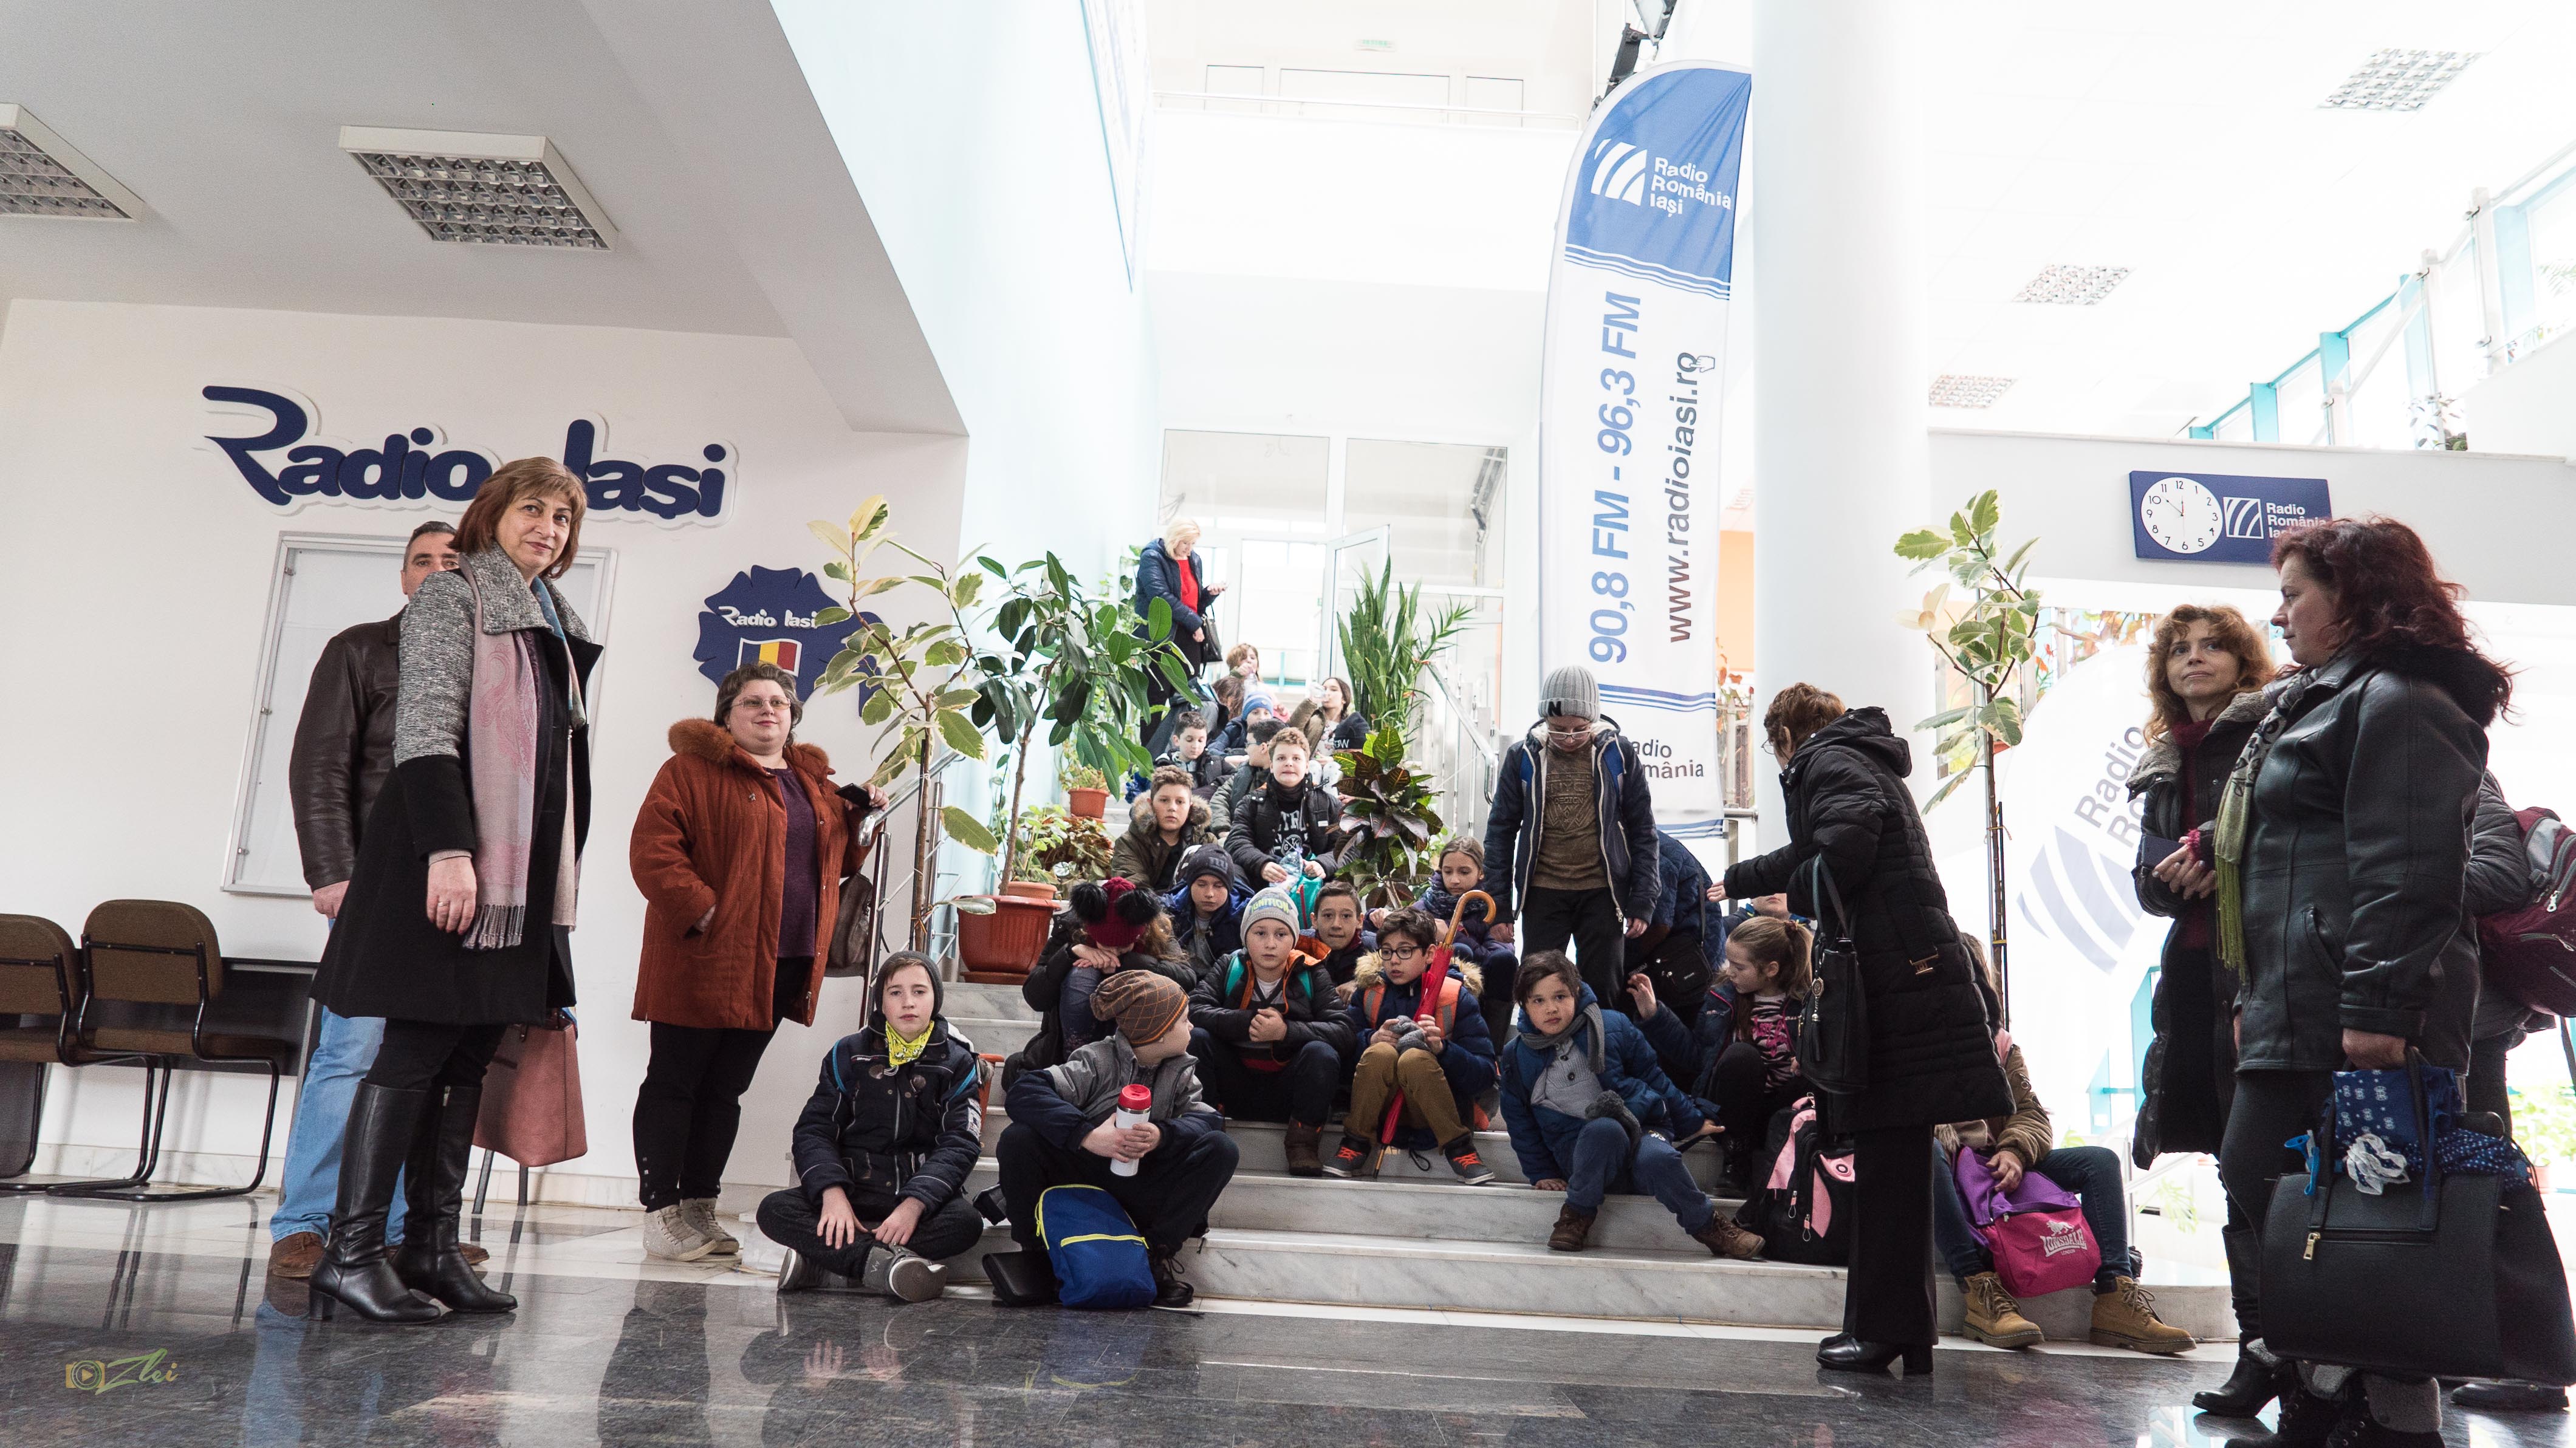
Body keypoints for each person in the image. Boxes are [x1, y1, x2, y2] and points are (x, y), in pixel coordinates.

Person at [2189, 519, 2509, 1447]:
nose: (2278, 614)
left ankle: (2391, 1410)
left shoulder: (2402, 701)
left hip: (2361, 1012)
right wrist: (2257, 998)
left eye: (2294, 594)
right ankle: (2330, 1382)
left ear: (2355, 597)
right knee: (2279, 1187)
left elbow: (2408, 871)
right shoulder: (2317, 701)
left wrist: (2377, 1011)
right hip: (2302, 1004)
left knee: (2381, 1214)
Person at [306, 459, 603, 1323]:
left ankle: (431, 1248)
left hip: (518, 884)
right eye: (532, 509)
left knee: (470, 1055)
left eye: (563, 517)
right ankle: (351, 1253)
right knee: (412, 1053)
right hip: (449, 866)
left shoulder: (554, 620)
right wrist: (449, 851)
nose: (548, 527)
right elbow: (426, 731)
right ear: (493, 514)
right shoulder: (455, 595)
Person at [1714, 682, 2011, 1375]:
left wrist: (1769, 885)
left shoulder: (1828, 761)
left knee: (1886, 1168)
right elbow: (1831, 850)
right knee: (1896, 1168)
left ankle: (1884, 1333)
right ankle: (1903, 1332)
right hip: (1908, 975)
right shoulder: (1858, 759)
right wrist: (1754, 877)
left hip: (1892, 984)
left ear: (1786, 736)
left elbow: (1841, 857)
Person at [627, 662, 879, 1262]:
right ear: (727, 714)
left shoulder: (812, 781)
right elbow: (653, 851)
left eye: (779, 702)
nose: (768, 710)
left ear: (793, 715)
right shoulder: (689, 771)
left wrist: (858, 819)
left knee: (725, 1088)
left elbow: (837, 863)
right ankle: (661, 1213)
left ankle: (699, 1206)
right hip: (704, 957)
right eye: (752, 701)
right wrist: (706, 911)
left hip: (782, 960)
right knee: (676, 1082)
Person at [270, 521, 465, 1280]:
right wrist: (332, 871)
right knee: (350, 1053)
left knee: (423, 1063)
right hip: (376, 886)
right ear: (404, 577)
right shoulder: (360, 649)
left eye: (453, 559)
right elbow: (318, 765)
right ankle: (307, 1223)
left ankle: (398, 1230)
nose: (438, 571)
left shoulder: (491, 655)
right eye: (423, 560)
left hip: (458, 889)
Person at [2125, 604, 2277, 1410]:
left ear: (2243, 660)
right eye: (2180, 649)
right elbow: (2145, 881)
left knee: (2269, 1159)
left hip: (2261, 968)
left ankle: (2300, 1349)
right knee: (2228, 1156)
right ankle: (2259, 1351)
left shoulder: (2271, 734)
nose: (2195, 658)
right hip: (2192, 974)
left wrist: (2223, 858)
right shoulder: (2162, 759)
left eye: (2213, 645)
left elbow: (2289, 837)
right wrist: (2171, 877)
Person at [1934, 940, 2193, 1355]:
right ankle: (1979, 1291)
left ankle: (2115, 1295)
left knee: (2099, 1162)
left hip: (1994, 1165)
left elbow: (2031, 1115)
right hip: (1945, 1174)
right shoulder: (1909, 1044)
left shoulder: (2000, 1046)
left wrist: (2015, 1151)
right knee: (1926, 1155)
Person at [993, 970, 1241, 1309]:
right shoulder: (1097, 1060)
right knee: (1018, 1139)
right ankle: (1037, 1253)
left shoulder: (1181, 1070)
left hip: (1139, 1180)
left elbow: (1208, 1120)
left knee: (1221, 1149)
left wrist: (1162, 1135)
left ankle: (1151, 1257)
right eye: (1184, 1020)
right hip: (1084, 1177)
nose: (1192, 1027)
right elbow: (1025, 1092)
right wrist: (1088, 1135)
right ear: (1159, 1032)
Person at [1499, 952, 1755, 1259]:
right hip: (1582, 1153)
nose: (1551, 1008)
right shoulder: (1516, 1056)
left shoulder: (1612, 1025)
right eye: (1538, 1001)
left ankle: (1710, 1227)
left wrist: (1692, 1120)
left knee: (1658, 1158)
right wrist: (1541, 1172)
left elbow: (1653, 1076)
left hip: (1640, 1128)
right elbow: (1519, 1121)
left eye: (1560, 996)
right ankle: (1577, 1214)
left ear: (1576, 992)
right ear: (1524, 1005)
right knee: (1604, 1130)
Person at [761, 953, 984, 1300]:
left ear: (935, 998)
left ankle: (830, 1265)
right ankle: (883, 1264)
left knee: (966, 1223)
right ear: (881, 1000)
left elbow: (960, 1143)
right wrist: (832, 1194)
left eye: (919, 991)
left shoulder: (957, 1061)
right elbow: (814, 1130)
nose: (908, 1002)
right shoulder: (847, 1053)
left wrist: (915, 1204)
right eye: (895, 992)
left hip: (913, 1199)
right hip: (854, 1193)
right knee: (774, 1210)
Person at [2451, 772, 2556, 1415]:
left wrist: (2391, 883)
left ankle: (2536, 1366)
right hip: (2431, 1012)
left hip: (2469, 1022)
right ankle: (2452, 1350)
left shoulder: (2451, 761)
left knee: (2495, 1191)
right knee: (2454, 1193)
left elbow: (2499, 876)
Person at [1483, 664, 1660, 1011]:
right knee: (1538, 988)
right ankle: (1541, 1047)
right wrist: (1499, 907)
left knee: (1604, 990)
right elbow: (1500, 833)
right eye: (1558, 729)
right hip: (1543, 891)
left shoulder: (1618, 755)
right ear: (1545, 720)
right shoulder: (1523, 757)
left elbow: (1644, 830)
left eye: (1579, 729)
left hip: (1603, 892)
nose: (1568, 738)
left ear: (1593, 719)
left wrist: (1643, 899)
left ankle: (1601, 1046)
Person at [1633, 915, 1810, 1191]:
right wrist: (1655, 1015)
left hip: (1784, 1110)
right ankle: (1736, 1158)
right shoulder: (1722, 998)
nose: (1731, 973)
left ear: (1771, 969)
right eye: (1729, 963)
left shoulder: (1808, 1003)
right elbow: (1697, 1056)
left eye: (1739, 967)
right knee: (1741, 1057)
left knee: (1809, 1074)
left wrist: (1810, 1059)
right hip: (1734, 1113)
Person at [1187, 888, 1354, 1176]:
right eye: (1260, 933)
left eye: (1281, 934)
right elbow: (1192, 1010)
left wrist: (1285, 1031)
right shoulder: (1230, 966)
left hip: (1287, 1091)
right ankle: (1207, 1131)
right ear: (1245, 937)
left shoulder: (1312, 972)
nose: (1270, 944)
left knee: (1321, 1053)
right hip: (1234, 1087)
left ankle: (1303, 1145)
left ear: (1294, 939)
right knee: (1196, 1038)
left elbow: (1343, 1031)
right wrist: (1245, 1022)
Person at [1326, 908, 1499, 1184]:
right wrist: (1369, 1040)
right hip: (1381, 1113)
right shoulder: (1369, 993)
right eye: (1387, 952)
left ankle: (1460, 1149)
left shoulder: (1455, 996)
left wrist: (1443, 1050)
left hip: (1436, 1111)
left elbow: (1485, 1075)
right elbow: (1339, 1056)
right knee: (1380, 1052)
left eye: (1405, 951)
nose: (1394, 960)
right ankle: (1355, 1143)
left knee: (1414, 1058)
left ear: (1429, 954)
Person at [1020, 879, 1191, 1063]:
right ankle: (1078, 1059)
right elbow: (1035, 997)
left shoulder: (1156, 929)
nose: (1113, 953)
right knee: (1081, 975)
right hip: (1065, 1041)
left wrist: (1127, 962)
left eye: (1123, 947)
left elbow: (1187, 978)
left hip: (1137, 1041)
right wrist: (1070, 954)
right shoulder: (1071, 928)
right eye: (1106, 946)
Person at [1383, 838, 1518, 1045]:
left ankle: (1493, 1043)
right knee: (1458, 951)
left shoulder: (1490, 905)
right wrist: (1376, 916)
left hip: (1484, 985)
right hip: (1431, 985)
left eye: (1464, 872)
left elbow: (1498, 954)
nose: (1455, 880)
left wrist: (1453, 937)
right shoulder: (1428, 904)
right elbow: (1396, 933)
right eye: (1448, 872)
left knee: (1494, 958)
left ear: (1481, 872)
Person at [1134, 517, 1224, 747]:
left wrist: (1209, 594)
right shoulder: (1153, 557)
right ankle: (1150, 758)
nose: (1189, 549)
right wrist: (1194, 623)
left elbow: (1194, 603)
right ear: (1174, 538)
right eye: (1185, 543)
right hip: (1161, 637)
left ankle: (1181, 753)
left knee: (1187, 701)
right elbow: (1161, 598)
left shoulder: (1194, 560)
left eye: (1192, 544)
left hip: (1190, 639)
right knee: (1155, 700)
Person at [1227, 726, 1341, 888]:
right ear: (1272, 766)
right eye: (1281, 758)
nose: (1289, 763)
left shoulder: (1327, 803)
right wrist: (1262, 864)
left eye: (1296, 758)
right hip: (1266, 889)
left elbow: (1344, 847)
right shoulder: (1251, 803)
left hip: (1316, 888)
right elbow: (1236, 842)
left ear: (1307, 766)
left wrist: (1323, 864)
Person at [1629, 829, 1719, 1027]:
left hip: (1682, 970)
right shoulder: (1653, 842)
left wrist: (1620, 964)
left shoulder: (1647, 849)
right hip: (1695, 960)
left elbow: (1658, 926)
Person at [1109, 766, 1215, 892]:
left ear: (1190, 807)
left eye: (1180, 802)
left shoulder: (1205, 843)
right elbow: (1133, 890)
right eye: (1164, 800)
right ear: (1151, 803)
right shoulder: (1129, 843)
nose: (1172, 808)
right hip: (1146, 904)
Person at [1166, 845, 1249, 982]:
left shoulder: (1244, 916)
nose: (1209, 894)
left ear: (1229, 887)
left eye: (1218, 886)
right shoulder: (1170, 910)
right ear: (1190, 885)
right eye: (1201, 885)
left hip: (1224, 985)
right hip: (1180, 981)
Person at [1300, 879, 1375, 995]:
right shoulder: (1299, 945)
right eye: (1328, 915)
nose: (1336, 925)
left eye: (1346, 916)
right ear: (1314, 920)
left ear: (1360, 921)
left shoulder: (1375, 946)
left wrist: (1360, 984)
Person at [1208, 715, 1283, 827]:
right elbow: (1220, 798)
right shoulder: (1245, 770)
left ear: (1263, 748)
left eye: (1248, 744)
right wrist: (1223, 829)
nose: (1246, 749)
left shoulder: (1285, 781)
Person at [1154, 712, 1228, 797]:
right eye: (1189, 740)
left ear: (1206, 741)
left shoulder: (1216, 763)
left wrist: (1215, 785)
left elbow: (1236, 778)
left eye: (1200, 741)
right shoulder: (1163, 767)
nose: (1195, 746)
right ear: (1176, 740)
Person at [1289, 676, 1368, 753]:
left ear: (1344, 699)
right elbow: (1291, 731)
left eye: (1333, 690)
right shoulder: (1312, 717)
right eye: (1324, 689)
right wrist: (1310, 702)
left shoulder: (1351, 726)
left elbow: (1356, 755)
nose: (1327, 693)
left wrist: (1333, 760)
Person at [1215, 689, 1277, 757]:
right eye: (1255, 713)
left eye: (1266, 713)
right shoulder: (1234, 729)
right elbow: (1213, 749)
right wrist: (1227, 758)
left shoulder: (1278, 732)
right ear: (1246, 717)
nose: (1262, 718)